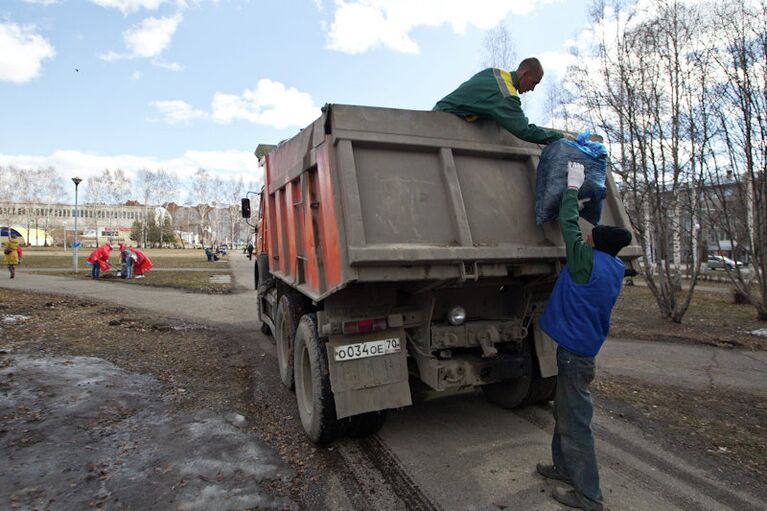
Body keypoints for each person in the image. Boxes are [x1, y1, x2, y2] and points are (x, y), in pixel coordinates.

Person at [536, 162, 632, 510]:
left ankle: (589, 496)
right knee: (564, 413)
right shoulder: (614, 267)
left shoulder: (584, 261)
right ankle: (563, 469)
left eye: (594, 234)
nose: (589, 234)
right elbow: (585, 236)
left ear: (596, 244)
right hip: (580, 353)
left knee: (576, 425)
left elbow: (567, 225)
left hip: (574, 356)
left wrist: (572, 190)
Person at [434, 57, 563, 145]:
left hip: (439, 114)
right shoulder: (505, 94)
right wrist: (560, 138)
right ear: (524, 73)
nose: (533, 89)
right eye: (534, 82)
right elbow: (524, 130)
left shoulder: (495, 73)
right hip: (443, 125)